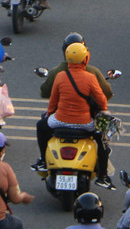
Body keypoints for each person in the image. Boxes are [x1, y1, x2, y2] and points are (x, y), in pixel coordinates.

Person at [40, 42, 113, 188]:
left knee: (40, 126)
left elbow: (52, 102)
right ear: (85, 59)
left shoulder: (60, 76)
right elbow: (102, 100)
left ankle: (43, 160)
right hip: (85, 124)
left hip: (59, 121)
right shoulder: (91, 77)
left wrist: (48, 115)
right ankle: (103, 175)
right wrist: (103, 111)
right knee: (103, 140)